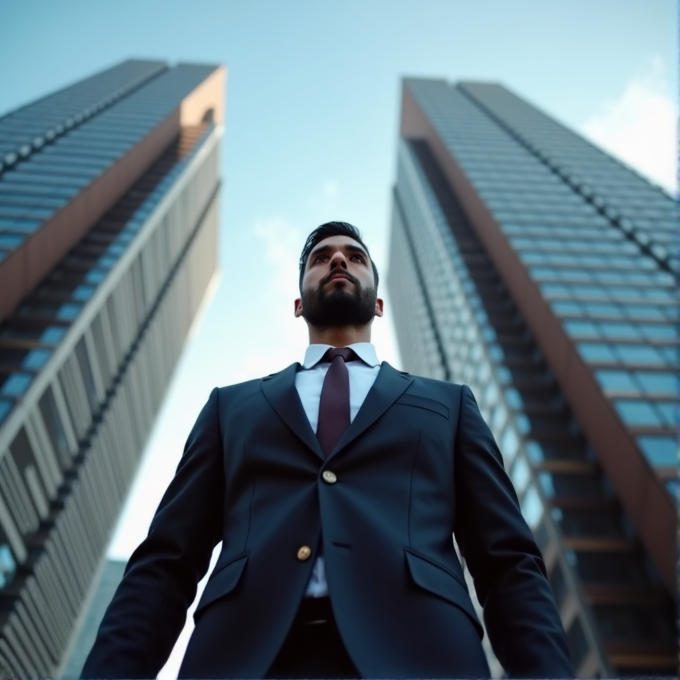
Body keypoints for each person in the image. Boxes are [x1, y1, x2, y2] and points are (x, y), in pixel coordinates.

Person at [82, 221, 573, 679]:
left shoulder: (451, 405)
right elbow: (167, 560)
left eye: (354, 256)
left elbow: (506, 561)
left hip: (424, 655)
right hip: (242, 656)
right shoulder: (229, 407)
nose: (338, 261)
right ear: (298, 303)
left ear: (379, 303)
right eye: (321, 258)